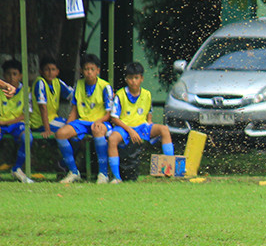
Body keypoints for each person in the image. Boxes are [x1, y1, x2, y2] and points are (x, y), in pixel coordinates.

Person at [107, 62, 174, 183]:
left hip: (142, 126)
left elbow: (149, 111)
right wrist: (130, 130)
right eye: (131, 78)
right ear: (126, 79)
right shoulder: (120, 95)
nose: (134, 81)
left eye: (136, 78)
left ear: (141, 79)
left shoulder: (146, 94)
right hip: (125, 128)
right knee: (112, 139)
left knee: (164, 129)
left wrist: (149, 122)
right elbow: (114, 118)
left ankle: (169, 170)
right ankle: (117, 177)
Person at [55, 53, 113, 184]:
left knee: (98, 131)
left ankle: (103, 174)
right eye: (86, 69)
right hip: (82, 122)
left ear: (98, 70)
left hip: (101, 121)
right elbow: (74, 110)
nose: (89, 72)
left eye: (92, 69)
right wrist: (67, 126)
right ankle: (74, 172)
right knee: (60, 134)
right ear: (81, 70)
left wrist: (99, 121)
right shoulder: (78, 85)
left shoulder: (105, 87)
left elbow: (109, 114)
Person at [0, 59, 33, 183]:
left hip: (16, 124)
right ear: (3, 75)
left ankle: (17, 169)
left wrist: (6, 122)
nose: (11, 77)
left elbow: (26, 115)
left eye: (14, 74)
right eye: (8, 74)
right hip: (1, 123)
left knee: (27, 138)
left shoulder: (26, 91)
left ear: (20, 75)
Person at [29, 55, 73, 138]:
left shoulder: (57, 82)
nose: (50, 72)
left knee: (73, 127)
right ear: (41, 71)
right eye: (47, 69)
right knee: (69, 130)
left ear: (57, 72)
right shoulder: (40, 83)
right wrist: (47, 130)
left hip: (52, 119)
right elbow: (42, 107)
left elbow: (73, 95)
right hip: (40, 123)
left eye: (53, 69)